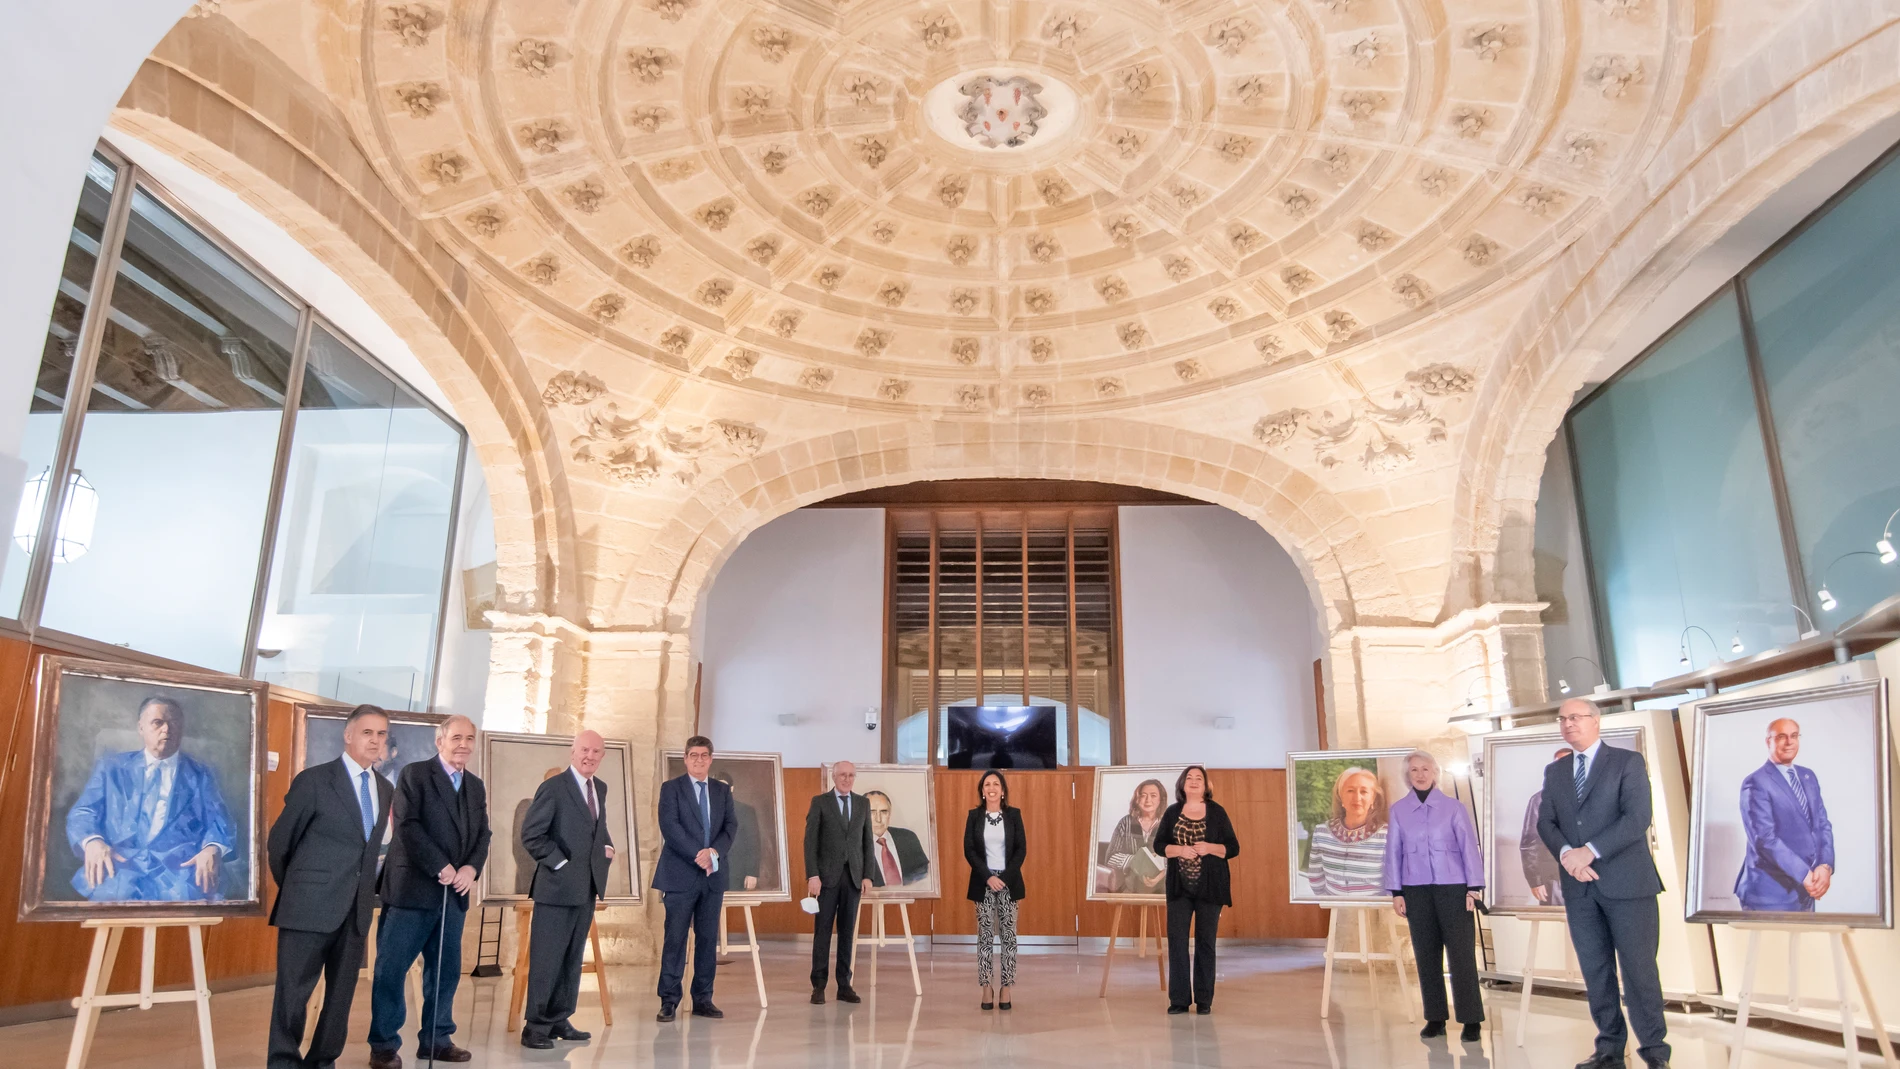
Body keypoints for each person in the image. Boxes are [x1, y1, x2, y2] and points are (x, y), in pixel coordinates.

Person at [1536, 698, 1670, 1069]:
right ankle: (1610, 1048)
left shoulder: (1627, 763)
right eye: (1562, 719)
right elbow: (1545, 822)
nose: (1567, 724)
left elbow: (1638, 817)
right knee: (1596, 970)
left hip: (1628, 885)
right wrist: (1567, 855)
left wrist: (1589, 851)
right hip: (1580, 887)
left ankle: (1655, 1053)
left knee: (1640, 970)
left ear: (1596, 722)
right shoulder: (1555, 772)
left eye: (1575, 717)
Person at [265, 704, 393, 1069]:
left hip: (355, 911)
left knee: (340, 997)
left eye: (382, 733)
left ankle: (323, 1061)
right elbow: (280, 845)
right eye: (368, 732)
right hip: (307, 907)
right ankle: (283, 1063)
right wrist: (301, 890)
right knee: (293, 995)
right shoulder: (315, 780)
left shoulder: (384, 788)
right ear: (349, 735)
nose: (375, 740)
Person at [367, 714, 490, 1069]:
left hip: (455, 894)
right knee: (392, 969)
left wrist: (470, 868)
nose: (463, 744)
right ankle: (384, 1045)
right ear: (440, 742)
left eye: (469, 738)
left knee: (446, 971)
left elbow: (483, 834)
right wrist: (441, 866)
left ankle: (436, 1039)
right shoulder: (415, 775)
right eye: (456, 738)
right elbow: (407, 825)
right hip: (411, 891)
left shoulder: (476, 786)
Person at [66, 695, 236, 902]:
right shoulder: (112, 768)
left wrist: (213, 848)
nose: (167, 729)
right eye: (158, 722)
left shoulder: (200, 774)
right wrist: (92, 841)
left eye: (174, 723)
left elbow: (220, 820)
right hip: (119, 865)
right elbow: (83, 812)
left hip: (179, 872)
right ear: (141, 728)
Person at [519, 731, 616, 1049]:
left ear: (602, 756)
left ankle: (559, 1018)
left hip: (585, 889)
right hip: (556, 889)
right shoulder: (553, 787)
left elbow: (596, 830)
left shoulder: (598, 788)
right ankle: (535, 1026)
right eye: (584, 750)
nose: (590, 756)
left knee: (571, 958)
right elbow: (532, 834)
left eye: (596, 751)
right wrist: (560, 863)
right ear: (573, 752)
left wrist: (607, 848)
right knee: (547, 958)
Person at [1384, 750, 1485, 1044]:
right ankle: (1435, 1018)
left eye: (1425, 768)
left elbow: (1468, 847)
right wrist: (1396, 892)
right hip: (1415, 890)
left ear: (1435, 772)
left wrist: (1474, 887)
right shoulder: (1399, 810)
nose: (1420, 774)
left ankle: (1471, 1020)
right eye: (1414, 770)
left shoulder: (1454, 807)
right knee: (1426, 955)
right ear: (1408, 776)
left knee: (1461, 955)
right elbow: (1393, 852)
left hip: (1453, 887)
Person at [653, 735, 737, 1022]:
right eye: (693, 755)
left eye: (704, 755)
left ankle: (703, 998)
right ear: (686, 759)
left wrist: (714, 852)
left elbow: (730, 826)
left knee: (707, 939)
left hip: (713, 876)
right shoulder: (671, 788)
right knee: (675, 938)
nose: (698, 760)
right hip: (680, 875)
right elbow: (670, 826)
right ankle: (669, 1000)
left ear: (711, 759)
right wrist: (698, 854)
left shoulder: (722, 791)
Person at [1154, 765, 1240, 1015]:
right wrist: (1179, 850)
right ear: (1182, 784)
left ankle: (1204, 1000)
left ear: (1206, 785)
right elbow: (1160, 846)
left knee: (1206, 942)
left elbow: (1233, 848)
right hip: (1179, 888)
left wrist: (1210, 847)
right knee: (1177, 942)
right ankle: (1179, 1000)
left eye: (1198, 778)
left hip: (1211, 888)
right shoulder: (1172, 812)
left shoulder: (1217, 812)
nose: (1193, 781)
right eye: (1189, 778)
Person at [1735, 717, 1834, 911]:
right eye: (1781, 736)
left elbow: (1822, 824)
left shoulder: (1808, 776)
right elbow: (1764, 839)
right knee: (1773, 943)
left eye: (1794, 736)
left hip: (1805, 892)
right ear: (1768, 741)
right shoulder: (1755, 782)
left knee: (1808, 942)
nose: (1789, 742)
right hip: (1769, 896)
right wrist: (1805, 875)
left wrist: (1825, 866)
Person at [804, 760, 875, 1004]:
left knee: (847, 934)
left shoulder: (863, 803)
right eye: (842, 775)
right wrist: (812, 875)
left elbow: (867, 842)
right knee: (822, 932)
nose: (847, 779)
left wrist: (868, 875)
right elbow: (810, 842)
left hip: (853, 877)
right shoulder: (820, 802)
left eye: (851, 775)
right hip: (825, 879)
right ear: (833, 777)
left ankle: (844, 984)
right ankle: (819, 985)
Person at [963, 770, 1026, 1010]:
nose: (991, 788)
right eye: (987, 784)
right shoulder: (974, 816)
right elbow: (969, 850)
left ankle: (1006, 988)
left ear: (1003, 790)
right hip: (983, 882)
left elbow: (1021, 849)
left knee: (1009, 936)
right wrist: (988, 877)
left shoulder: (1014, 815)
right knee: (985, 937)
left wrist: (1004, 878)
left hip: (1009, 883)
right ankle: (986, 987)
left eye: (996, 784)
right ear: (982, 790)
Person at [1305, 766, 1389, 896]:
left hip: (1372, 913)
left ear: (1373, 799)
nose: (1357, 797)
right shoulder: (1321, 832)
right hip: (1337, 912)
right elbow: (1315, 877)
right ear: (1340, 796)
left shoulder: (1386, 836)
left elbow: (1392, 884)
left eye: (1364, 792)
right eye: (1350, 790)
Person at [1520, 747, 1573, 906]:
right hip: (1555, 878)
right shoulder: (1539, 800)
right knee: (1555, 927)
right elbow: (1530, 843)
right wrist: (1535, 880)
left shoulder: (1594, 794)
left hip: (1592, 875)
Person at [1101, 778, 1167, 894]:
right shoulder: (1126, 823)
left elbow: (1178, 859)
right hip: (1131, 886)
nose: (1148, 800)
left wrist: (1162, 873)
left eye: (1153, 795)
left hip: (1162, 887)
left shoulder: (1169, 824)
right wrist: (1136, 860)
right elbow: (1110, 858)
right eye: (1143, 795)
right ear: (1137, 799)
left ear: (1161, 800)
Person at [867, 790, 930, 886]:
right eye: (871, 812)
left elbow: (924, 875)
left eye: (883, 812)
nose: (878, 819)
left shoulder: (908, 838)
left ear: (890, 814)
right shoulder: (852, 847)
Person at [714, 768, 763, 892]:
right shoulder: (701, 810)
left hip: (736, 873)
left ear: (731, 789)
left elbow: (753, 843)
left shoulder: (746, 811)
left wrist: (752, 873)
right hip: (707, 872)